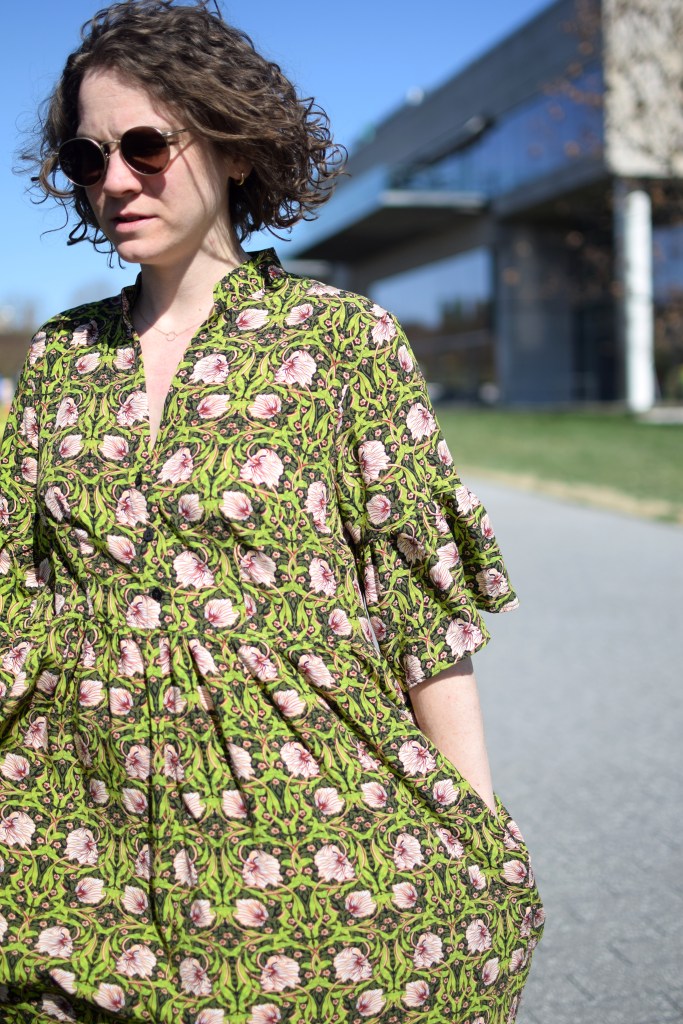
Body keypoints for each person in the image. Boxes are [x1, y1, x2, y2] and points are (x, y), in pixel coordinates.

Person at [0, 1, 544, 1021]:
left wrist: (476, 825)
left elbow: (419, 612)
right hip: (81, 830)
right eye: (86, 155)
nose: (115, 180)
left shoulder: (341, 343)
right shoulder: (63, 359)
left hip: (300, 823)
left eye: (148, 146)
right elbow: (16, 602)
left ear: (235, 149)